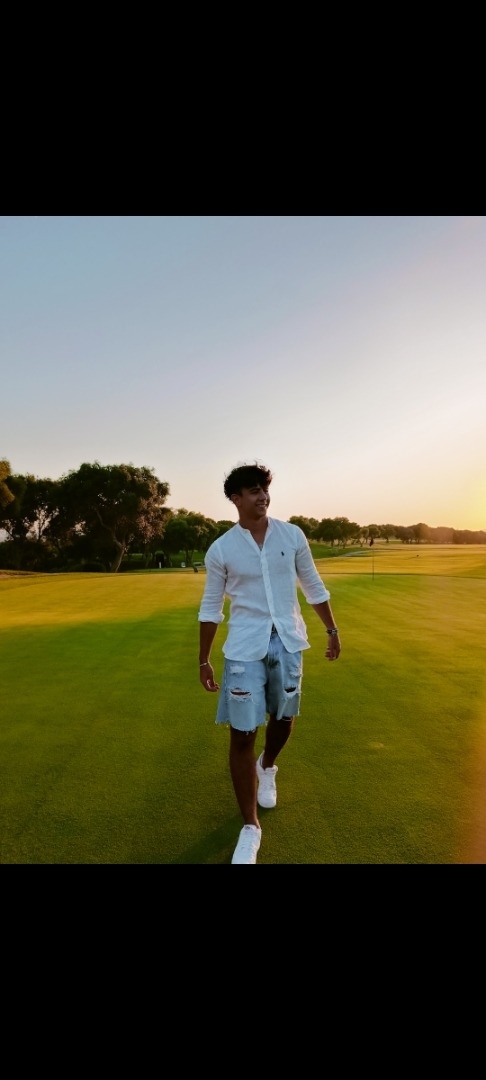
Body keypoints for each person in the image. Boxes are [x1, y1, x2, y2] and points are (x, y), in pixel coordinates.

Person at [198, 462, 341, 864]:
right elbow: (211, 607)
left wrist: (331, 629)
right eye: (252, 490)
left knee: (283, 717)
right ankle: (250, 826)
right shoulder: (221, 549)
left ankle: (268, 765)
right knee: (242, 733)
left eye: (264, 489)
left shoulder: (291, 535)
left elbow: (312, 584)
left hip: (288, 641)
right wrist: (204, 659)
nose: (262, 496)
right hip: (244, 648)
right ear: (236, 499)